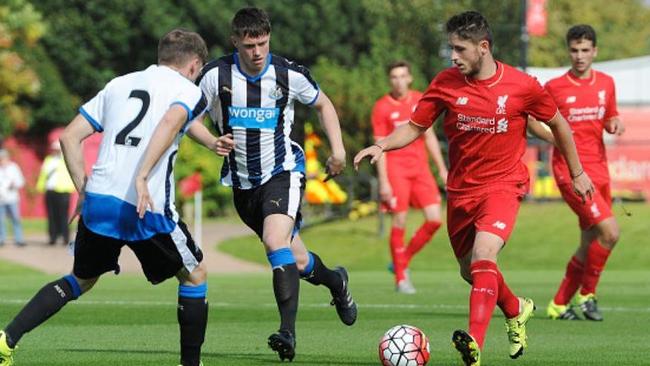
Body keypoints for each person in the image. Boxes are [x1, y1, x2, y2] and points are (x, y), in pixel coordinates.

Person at [354, 11, 594, 366]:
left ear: (483, 47)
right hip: (461, 192)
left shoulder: (521, 86)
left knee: (484, 255)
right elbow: (416, 126)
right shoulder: (446, 83)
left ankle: (474, 344)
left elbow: (559, 125)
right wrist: (383, 145)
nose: (453, 56)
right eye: (451, 48)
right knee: (470, 271)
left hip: (503, 186)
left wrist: (577, 173)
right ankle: (516, 308)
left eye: (460, 49)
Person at [0, 28, 210, 366]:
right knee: (194, 275)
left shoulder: (118, 84)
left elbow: (69, 138)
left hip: (100, 200)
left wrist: (84, 190)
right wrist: (141, 176)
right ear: (194, 65)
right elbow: (171, 122)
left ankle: (6, 339)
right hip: (147, 207)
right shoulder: (188, 89)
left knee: (80, 280)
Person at [192, 7, 357, 362]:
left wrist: (338, 150)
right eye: (249, 44)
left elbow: (324, 104)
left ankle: (287, 333)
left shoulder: (288, 74)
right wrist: (209, 141)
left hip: (283, 172)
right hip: (242, 184)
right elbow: (189, 118)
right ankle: (336, 282)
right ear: (235, 41)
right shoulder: (214, 76)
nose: (257, 52)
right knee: (296, 261)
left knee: (273, 242)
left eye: (263, 43)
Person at [529, 25, 623, 322]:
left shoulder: (606, 83)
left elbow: (610, 116)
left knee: (589, 242)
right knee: (610, 232)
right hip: (570, 172)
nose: (580, 56)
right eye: (574, 50)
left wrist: (614, 123)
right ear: (568, 51)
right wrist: (554, 139)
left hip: (600, 170)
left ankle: (559, 304)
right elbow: (531, 121)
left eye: (585, 50)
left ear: (594, 51)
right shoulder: (555, 87)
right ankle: (586, 296)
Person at [371, 60, 448, 294]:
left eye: (403, 76)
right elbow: (380, 146)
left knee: (435, 219)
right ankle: (401, 279)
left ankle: (400, 260)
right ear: (390, 80)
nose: (399, 81)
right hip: (396, 170)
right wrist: (383, 181)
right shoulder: (382, 107)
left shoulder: (419, 99)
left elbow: (430, 137)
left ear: (410, 78)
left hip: (420, 169)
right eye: (394, 77)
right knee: (400, 221)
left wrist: (442, 169)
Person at [36, 141, 76, 245]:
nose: (55, 151)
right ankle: (52, 237)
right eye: (54, 149)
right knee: (51, 215)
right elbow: (43, 174)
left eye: (58, 149)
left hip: (63, 191)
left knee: (63, 216)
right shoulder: (48, 160)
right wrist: (40, 187)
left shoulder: (66, 160)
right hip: (50, 190)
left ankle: (65, 238)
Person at [0, 149, 25, 247]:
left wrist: (14, 184)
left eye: (3, 158)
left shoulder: (14, 167)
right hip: (1, 199)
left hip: (12, 198)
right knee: (0, 220)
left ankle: (19, 239)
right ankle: (2, 239)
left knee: (16, 218)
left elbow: (21, 182)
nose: (2, 161)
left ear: (7, 158)